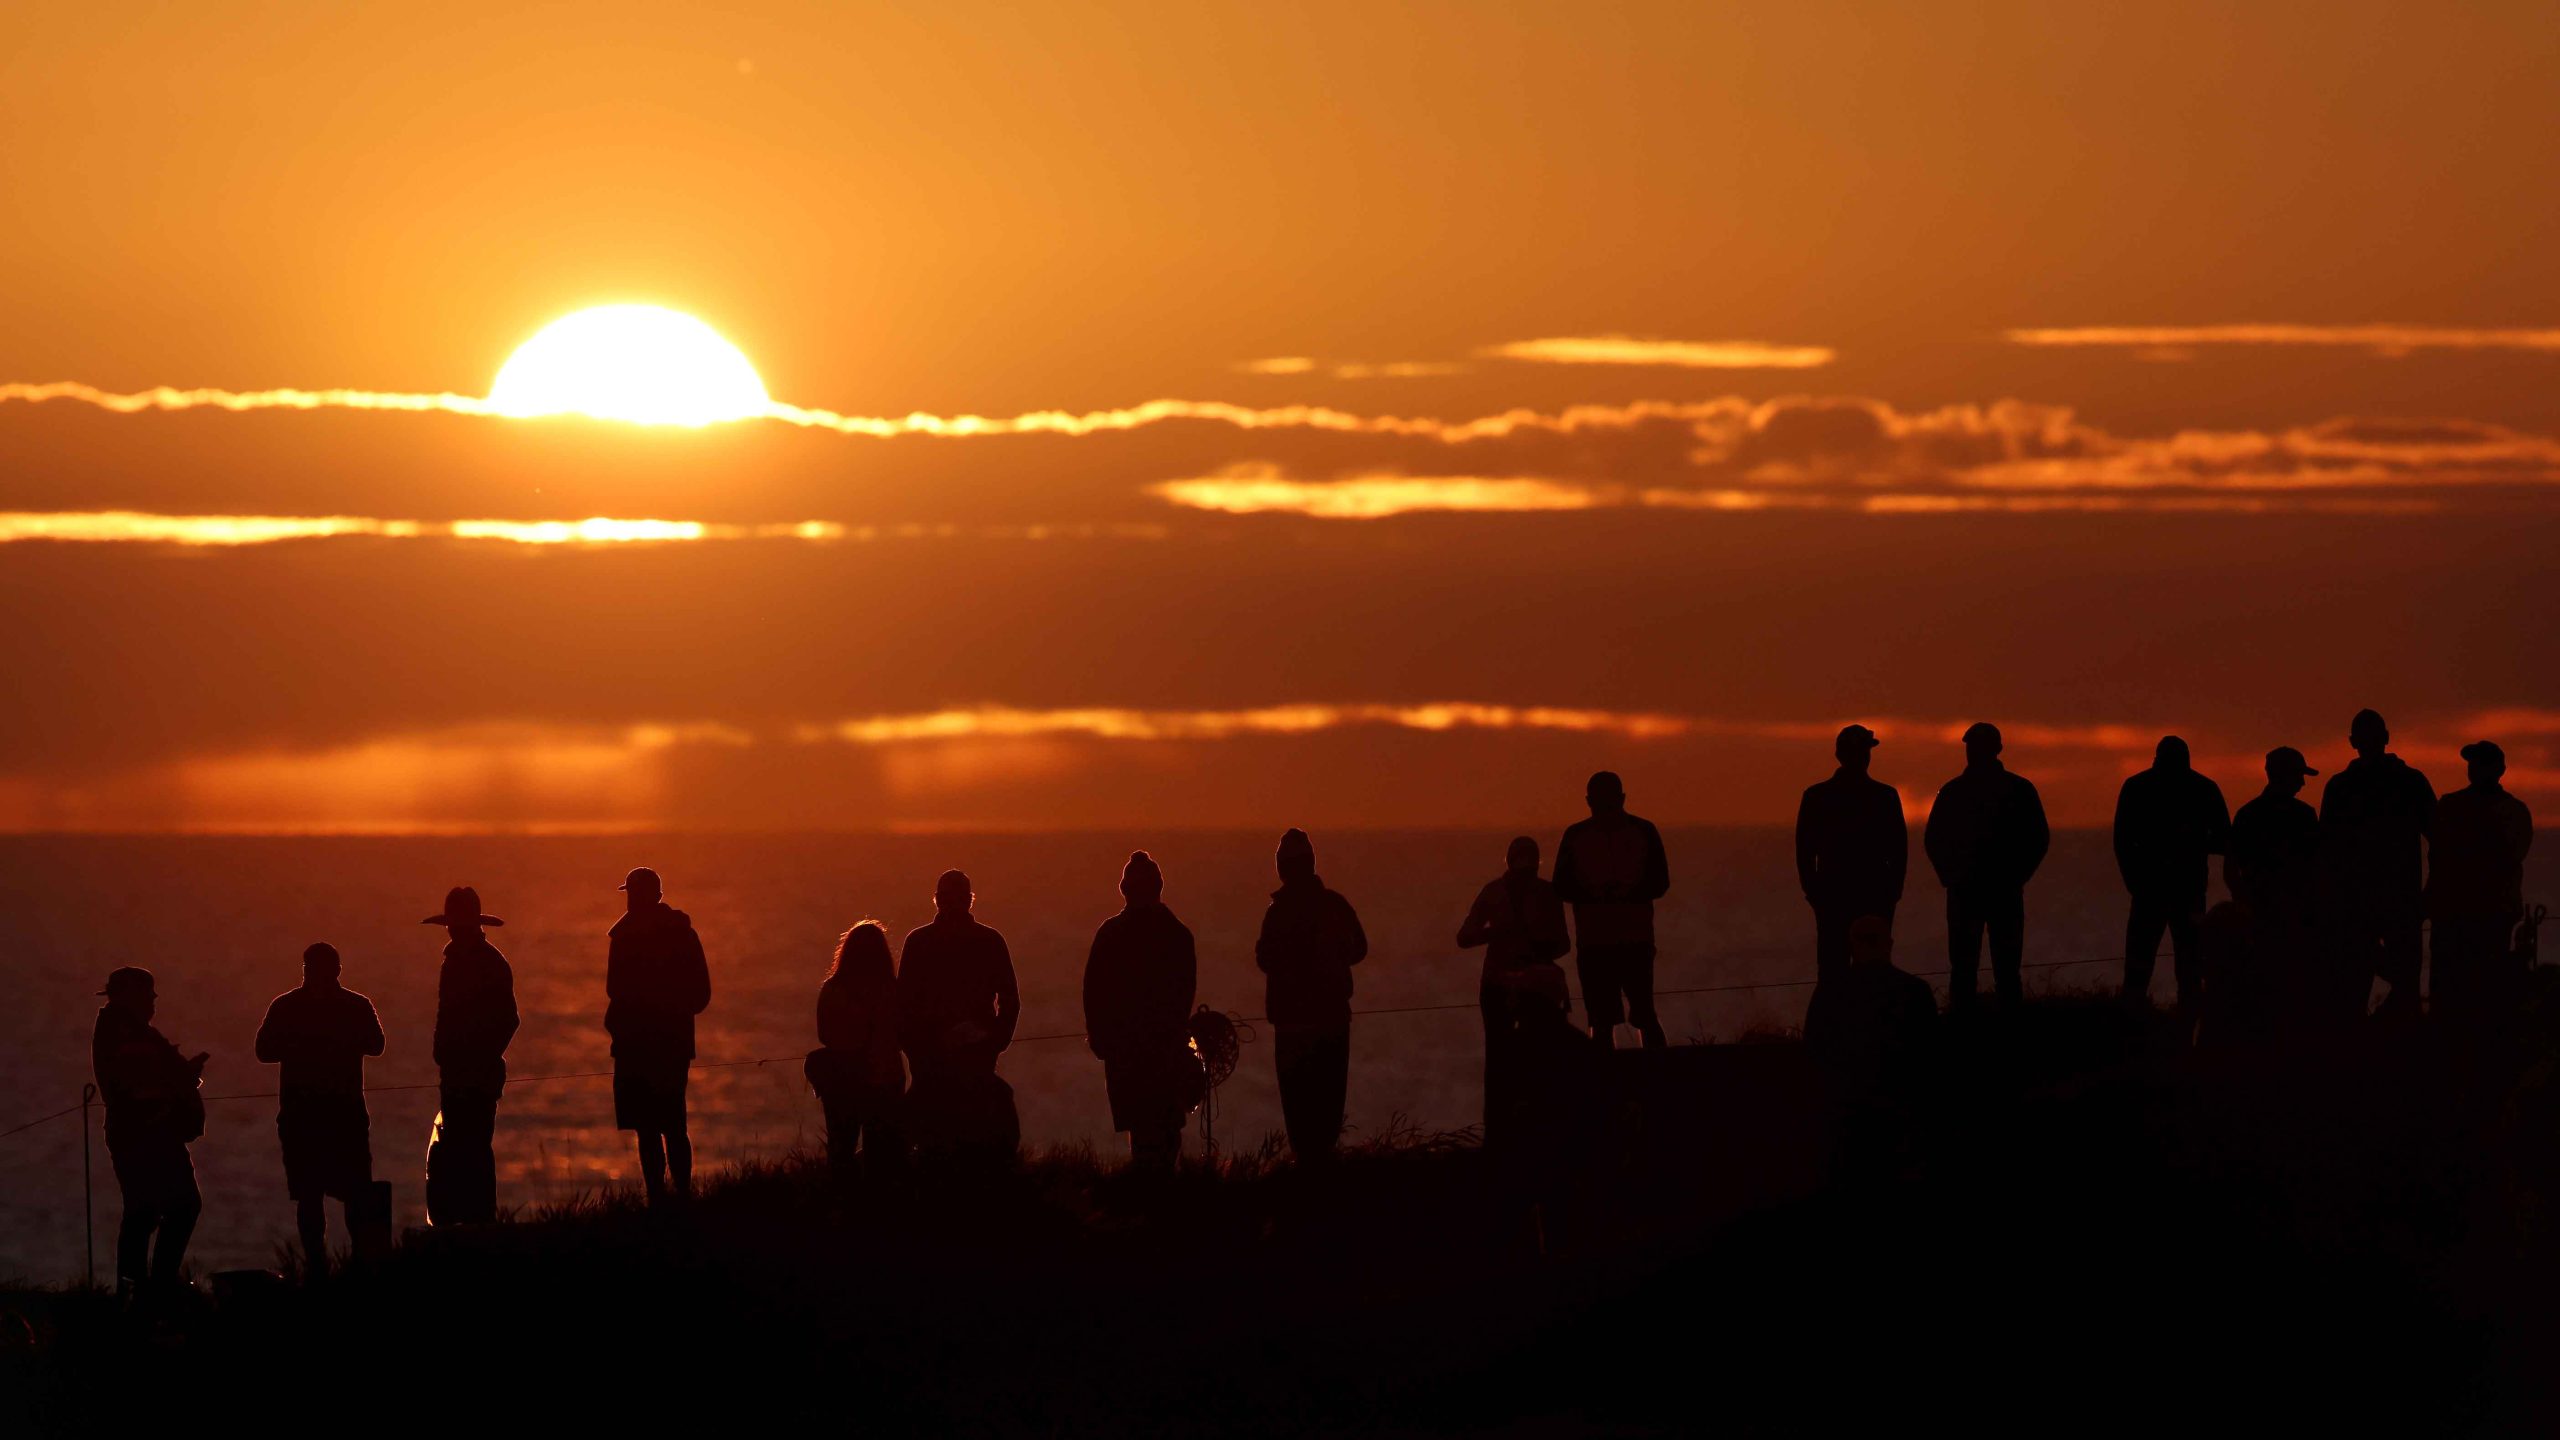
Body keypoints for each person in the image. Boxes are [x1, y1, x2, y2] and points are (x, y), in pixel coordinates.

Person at [254, 943, 384, 1276]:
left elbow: (376, 1045)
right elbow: (264, 1050)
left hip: (324, 1115)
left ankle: (336, 1266)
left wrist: (306, 1041)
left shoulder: (289, 1006)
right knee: (318, 1195)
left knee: (338, 1194)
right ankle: (327, 1266)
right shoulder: (352, 1005)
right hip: (321, 1115)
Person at [91, 967, 207, 1303]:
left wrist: (184, 1076)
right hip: (143, 1133)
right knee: (164, 1208)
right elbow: (138, 1084)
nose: (154, 1000)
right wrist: (180, 1081)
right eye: (148, 993)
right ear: (129, 995)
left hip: (152, 1132)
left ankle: (144, 1289)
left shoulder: (130, 1031)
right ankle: (148, 1289)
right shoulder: (123, 1034)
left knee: (153, 1210)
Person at [1082, 851, 1200, 1172]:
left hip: (1127, 1048)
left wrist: (1100, 1036)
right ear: (1159, 887)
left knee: (1141, 1125)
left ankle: (1148, 1193)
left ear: (1124, 889)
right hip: (1163, 1046)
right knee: (1164, 1123)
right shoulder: (1177, 934)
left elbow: (1093, 992)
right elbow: (1185, 991)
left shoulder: (1111, 933)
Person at [1255, 828, 1368, 1163]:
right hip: (1332, 1019)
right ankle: (1323, 1169)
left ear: (1282, 868)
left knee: (1297, 1104)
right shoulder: (1334, 905)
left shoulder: (1278, 913)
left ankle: (1307, 1170)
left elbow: (1264, 958)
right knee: (1329, 1101)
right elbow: (1359, 947)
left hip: (1292, 1023)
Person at [898, 870, 1022, 1162]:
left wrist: (996, 1042)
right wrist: (996, 1040)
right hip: (939, 1054)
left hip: (959, 1053)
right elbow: (1010, 1000)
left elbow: (902, 1003)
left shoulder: (921, 941)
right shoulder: (987, 940)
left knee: (948, 1134)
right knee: (960, 1131)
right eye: (949, 897)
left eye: (957, 897)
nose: (952, 903)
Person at [2319, 709, 2436, 1020]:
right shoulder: (2409, 782)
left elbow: (2326, 853)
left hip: (2374, 902)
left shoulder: (2341, 787)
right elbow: (2440, 840)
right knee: (2386, 984)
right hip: (2381, 901)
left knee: (2362, 986)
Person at [1924, 723, 2050, 1009]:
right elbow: (1934, 839)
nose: (1974, 752)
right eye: (1971, 746)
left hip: (1988, 890)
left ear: (1996, 749)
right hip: (1979, 891)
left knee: (1995, 970)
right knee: (1974, 970)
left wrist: (2016, 877)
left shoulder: (1959, 791)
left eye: (1978, 746)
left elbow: (2038, 838)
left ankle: (1979, 1031)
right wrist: (1951, 877)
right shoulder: (2010, 789)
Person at [605, 866, 711, 1206]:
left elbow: (614, 990)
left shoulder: (625, 937)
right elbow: (701, 995)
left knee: (652, 1128)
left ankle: (662, 1198)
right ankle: (676, 1197)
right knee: (667, 1124)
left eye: (634, 894)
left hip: (642, 1046)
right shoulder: (680, 933)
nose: (631, 901)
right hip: (670, 1045)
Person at [1801, 916, 1936, 1182]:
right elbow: (1930, 1055)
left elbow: (1814, 1049)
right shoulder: (1916, 992)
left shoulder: (1830, 993)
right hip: (1901, 1120)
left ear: (1852, 946)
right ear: (1890, 944)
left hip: (1847, 1121)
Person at [1457, 835, 1572, 1148]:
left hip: (1534, 989)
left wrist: (1536, 948)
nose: (1525, 877)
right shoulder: (1494, 893)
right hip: (1499, 986)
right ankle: (1498, 1134)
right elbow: (1465, 937)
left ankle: (1532, 1131)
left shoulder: (1547, 894)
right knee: (1498, 1061)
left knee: (1535, 1060)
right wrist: (1499, 932)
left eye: (1529, 871)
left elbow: (1562, 942)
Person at [2111, 736, 2232, 1014]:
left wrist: (2134, 881)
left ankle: (2134, 1024)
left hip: (2152, 890)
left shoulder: (2137, 787)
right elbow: (2225, 838)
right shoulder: (2204, 788)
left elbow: (2122, 841)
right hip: (2185, 890)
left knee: (2143, 965)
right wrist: (2196, 841)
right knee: (2188, 966)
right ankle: (2186, 1025)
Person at [1552, 771, 1672, 1048]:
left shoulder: (1581, 835)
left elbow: (1660, 881)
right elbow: (1561, 886)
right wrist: (1607, 893)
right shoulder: (1641, 831)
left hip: (1620, 941)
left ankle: (1613, 1081)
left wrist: (1614, 893)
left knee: (1630, 1017)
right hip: (1612, 941)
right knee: (1612, 1020)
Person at [421, 886, 517, 1226]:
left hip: (477, 1074)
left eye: (457, 925)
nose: (452, 930)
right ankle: (458, 1220)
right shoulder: (453, 962)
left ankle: (481, 1221)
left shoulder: (490, 963)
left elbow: (509, 1019)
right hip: (454, 1073)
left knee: (475, 1146)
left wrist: (481, 1056)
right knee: (456, 1147)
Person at [2428, 740, 2534, 1022]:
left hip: (2488, 916)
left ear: (2500, 770)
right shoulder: (2453, 806)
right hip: (2456, 915)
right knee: (2454, 999)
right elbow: (2438, 857)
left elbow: (2507, 856)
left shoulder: (2510, 811)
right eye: (2473, 763)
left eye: (2481, 763)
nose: (2475, 769)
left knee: (2480, 997)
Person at [1795, 725, 1908, 982]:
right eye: (1863, 751)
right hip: (1866, 897)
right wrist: (1891, 893)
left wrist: (1815, 893)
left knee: (1834, 972)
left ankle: (1836, 1021)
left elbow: (1804, 852)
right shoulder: (1884, 796)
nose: (1865, 757)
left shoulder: (1817, 796)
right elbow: (1899, 852)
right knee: (1870, 973)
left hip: (1841, 898)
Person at [2227, 746, 2324, 1029]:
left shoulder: (2247, 815)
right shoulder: (2304, 816)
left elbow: (2231, 870)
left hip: (2265, 918)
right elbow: (2317, 868)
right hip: (2292, 920)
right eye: (2299, 775)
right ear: (2284, 775)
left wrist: (2243, 905)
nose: (2303, 783)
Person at [812, 922, 906, 1187]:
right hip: (886, 1076)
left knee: (841, 1149)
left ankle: (843, 1206)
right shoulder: (892, 990)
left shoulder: (833, 989)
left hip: (843, 1079)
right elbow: (902, 1032)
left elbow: (824, 1034)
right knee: (881, 1151)